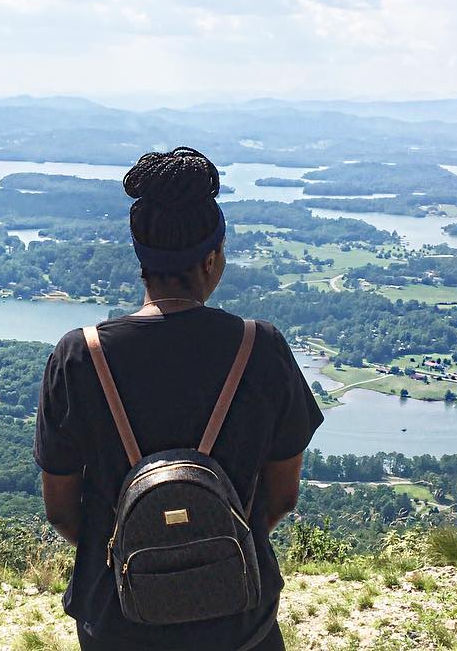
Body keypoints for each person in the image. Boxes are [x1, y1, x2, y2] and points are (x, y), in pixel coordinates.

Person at [34, 147, 325, 650]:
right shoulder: (262, 348)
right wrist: (209, 547)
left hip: (118, 619)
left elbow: (61, 511)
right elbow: (282, 496)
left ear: (141, 258)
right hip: (239, 620)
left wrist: (139, 553)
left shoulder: (81, 356)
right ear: (212, 258)